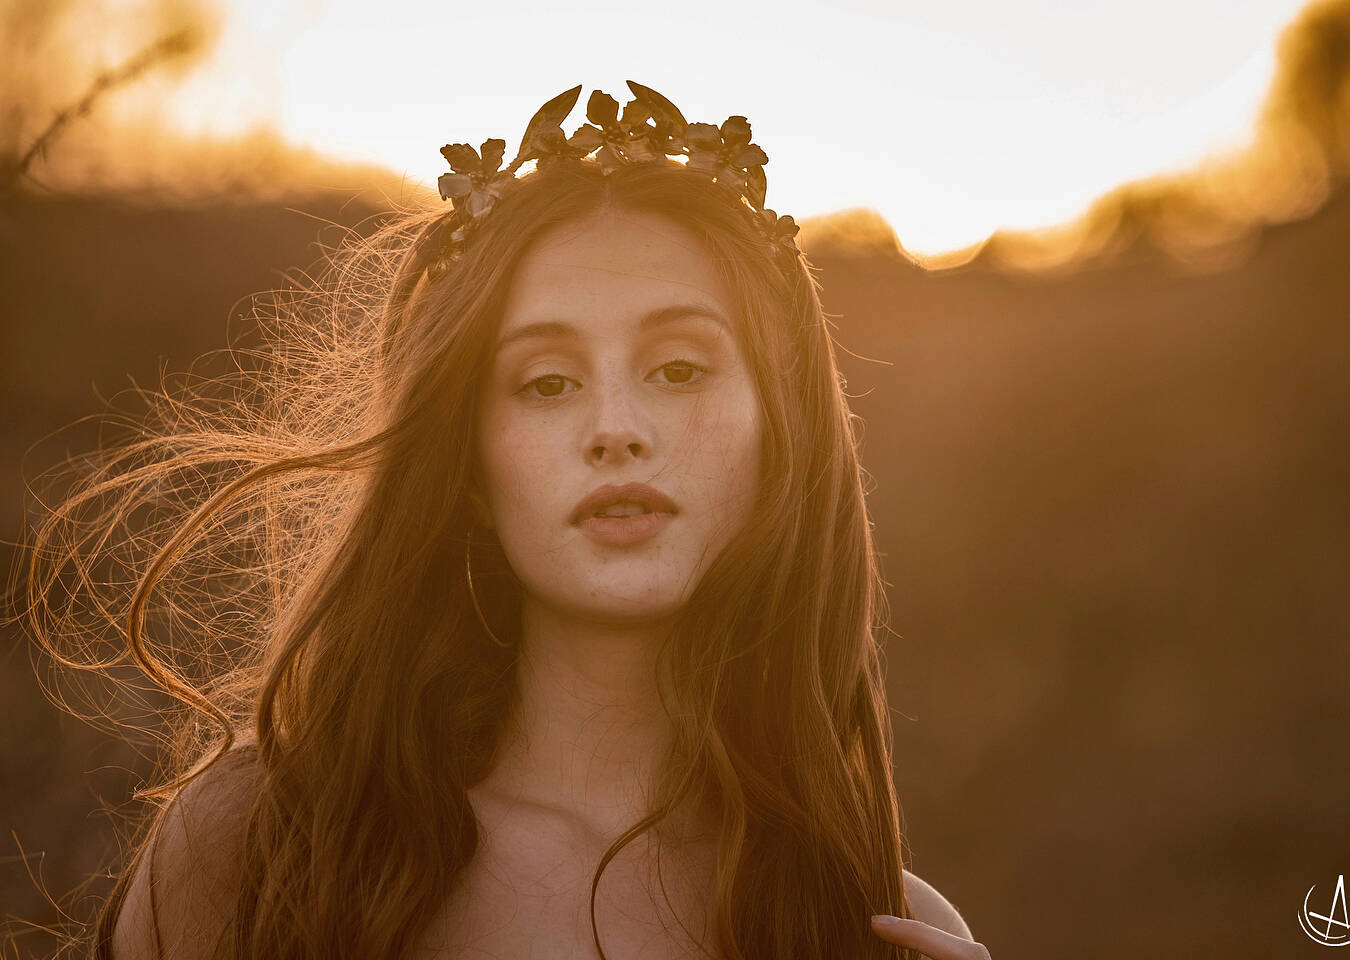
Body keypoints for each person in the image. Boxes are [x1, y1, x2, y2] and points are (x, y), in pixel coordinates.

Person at [20, 82, 991, 959]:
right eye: (548, 383)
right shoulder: (268, 848)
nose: (616, 429)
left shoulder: (873, 924)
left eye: (678, 368)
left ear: (781, 430)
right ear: (471, 463)